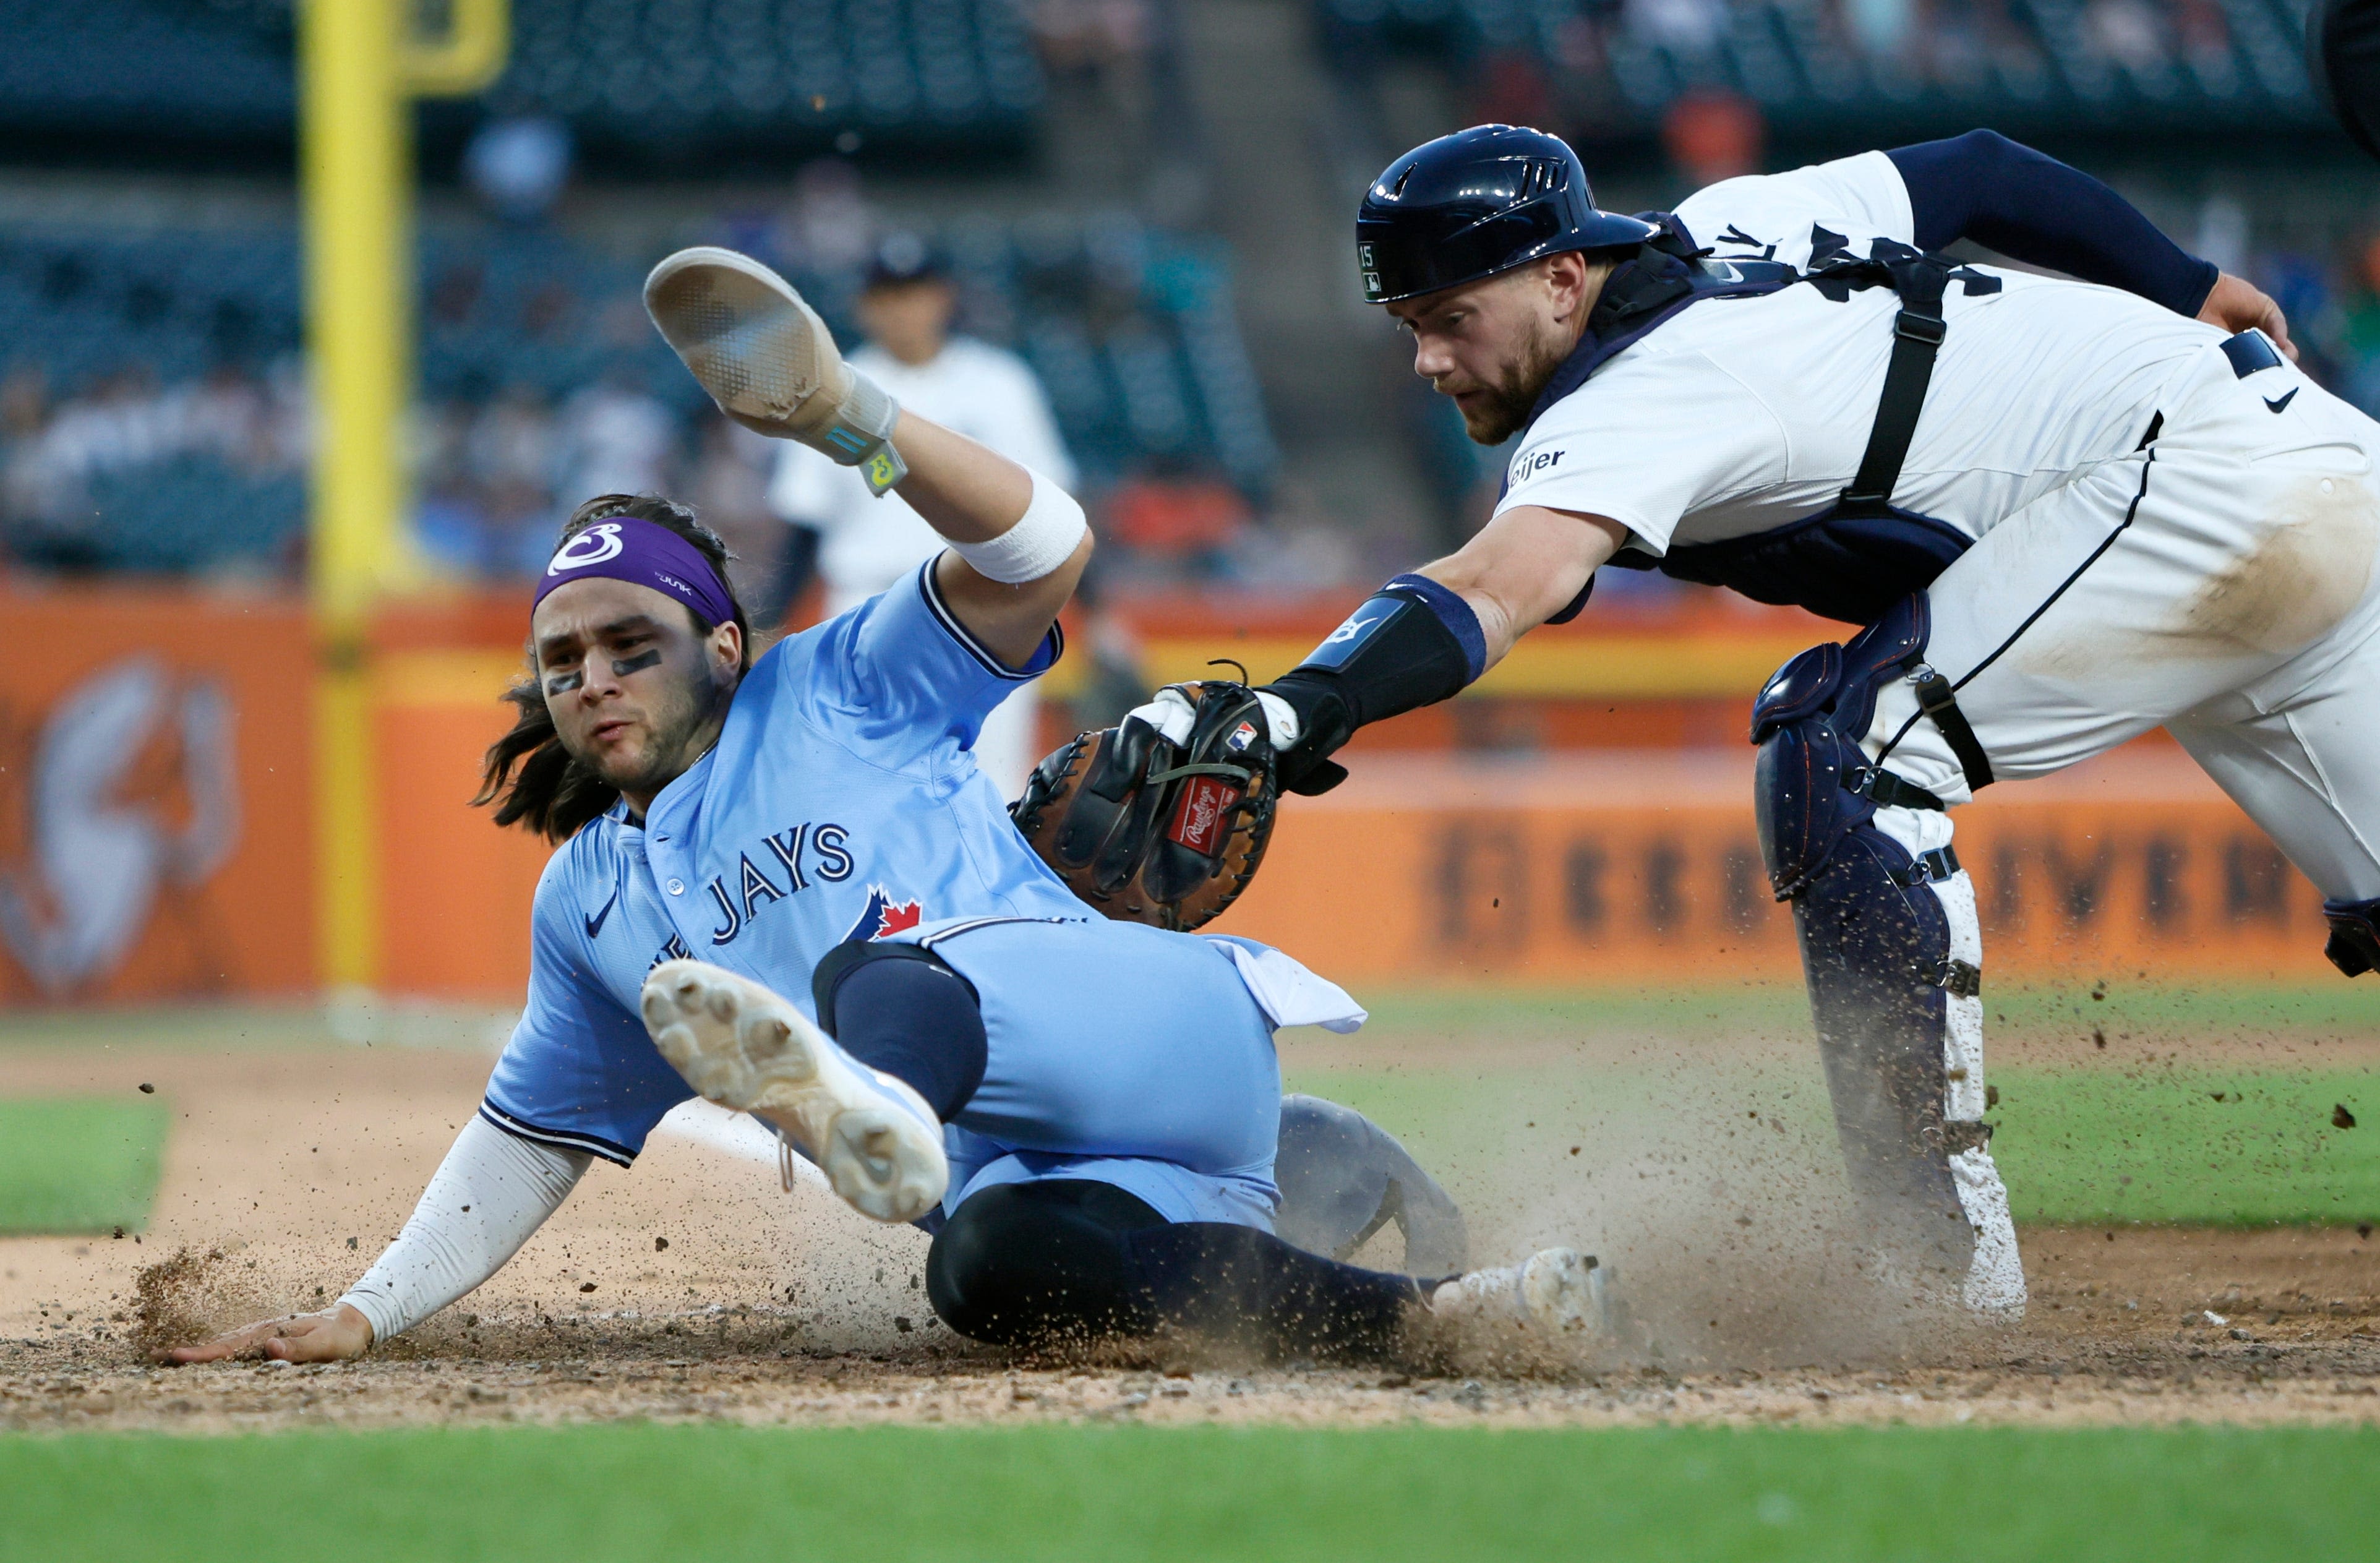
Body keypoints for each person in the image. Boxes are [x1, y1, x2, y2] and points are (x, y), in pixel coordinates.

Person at [161, 248, 1578, 1367]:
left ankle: (880, 1099)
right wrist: (364, 1311)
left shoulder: (836, 679)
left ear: (724, 644)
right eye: (562, 659)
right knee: (987, 1268)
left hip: (1137, 1024)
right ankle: (1452, 1308)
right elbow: (526, 1145)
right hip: (1079, 1165)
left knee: (870, 974)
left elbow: (1045, 544)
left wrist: (850, 416)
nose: (592, 677)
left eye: (628, 643)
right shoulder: (590, 899)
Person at [1203, 123, 2362, 1319]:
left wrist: (1290, 715)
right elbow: (1980, 172)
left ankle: (1938, 1270)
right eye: (1409, 326)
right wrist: (2190, 285)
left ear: (1559, 278)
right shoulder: (1736, 218)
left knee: (1848, 752)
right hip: (2313, 455)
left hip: (2191, 489)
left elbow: (1500, 585)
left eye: (1450, 317)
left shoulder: (1640, 391)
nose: (1428, 360)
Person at [768, 233, 1077, 794]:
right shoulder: (831, 392)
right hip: (865, 604)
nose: (904, 309)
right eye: (888, 296)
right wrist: (771, 623)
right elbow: (803, 527)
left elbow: (1052, 512)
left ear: (944, 297)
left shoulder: (1002, 383)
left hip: (982, 603)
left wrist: (1099, 615)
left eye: (915, 293)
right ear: (866, 307)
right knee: (866, 783)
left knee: (993, 785)